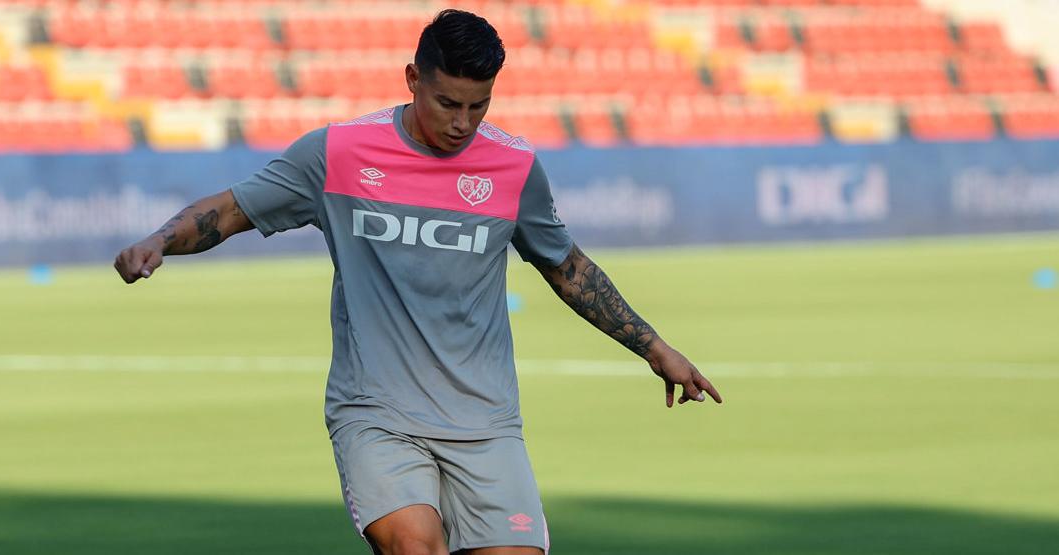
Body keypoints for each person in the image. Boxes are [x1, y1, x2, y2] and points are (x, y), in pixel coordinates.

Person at [113, 9, 721, 555]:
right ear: (412, 79)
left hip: (485, 421)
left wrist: (656, 348)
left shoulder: (513, 168)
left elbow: (567, 267)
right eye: (447, 103)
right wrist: (160, 241)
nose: (462, 123)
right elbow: (232, 209)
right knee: (414, 546)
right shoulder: (339, 153)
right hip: (377, 410)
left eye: (477, 106)